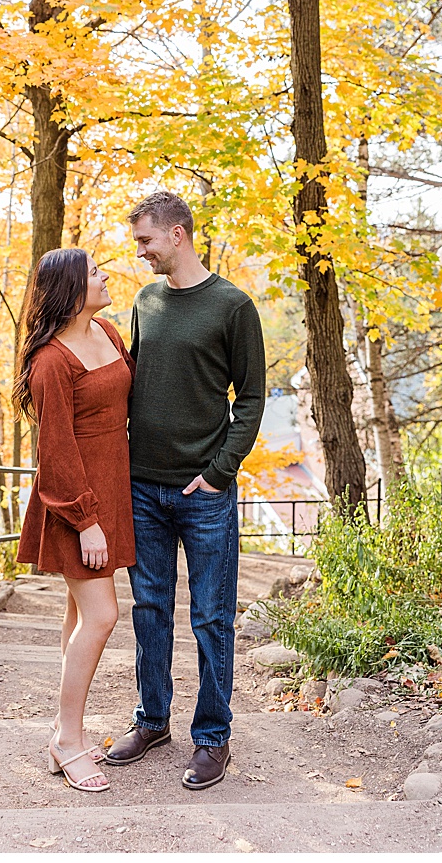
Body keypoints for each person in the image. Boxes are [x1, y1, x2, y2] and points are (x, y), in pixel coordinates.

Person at [104, 191, 265, 791]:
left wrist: (221, 471)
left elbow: (249, 400)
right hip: (142, 487)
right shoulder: (146, 301)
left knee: (211, 619)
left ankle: (213, 737)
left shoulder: (232, 307)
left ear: (177, 234)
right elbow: (133, 383)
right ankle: (152, 721)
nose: (140, 252)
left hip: (206, 494)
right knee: (149, 612)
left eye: (146, 240)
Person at [14, 247, 136, 794]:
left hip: (113, 489)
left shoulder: (108, 332)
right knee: (103, 615)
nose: (105, 276)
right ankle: (67, 737)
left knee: (79, 614)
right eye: (94, 273)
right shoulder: (50, 362)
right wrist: (86, 520)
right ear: (69, 288)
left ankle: (62, 731)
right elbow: (56, 452)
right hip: (75, 503)